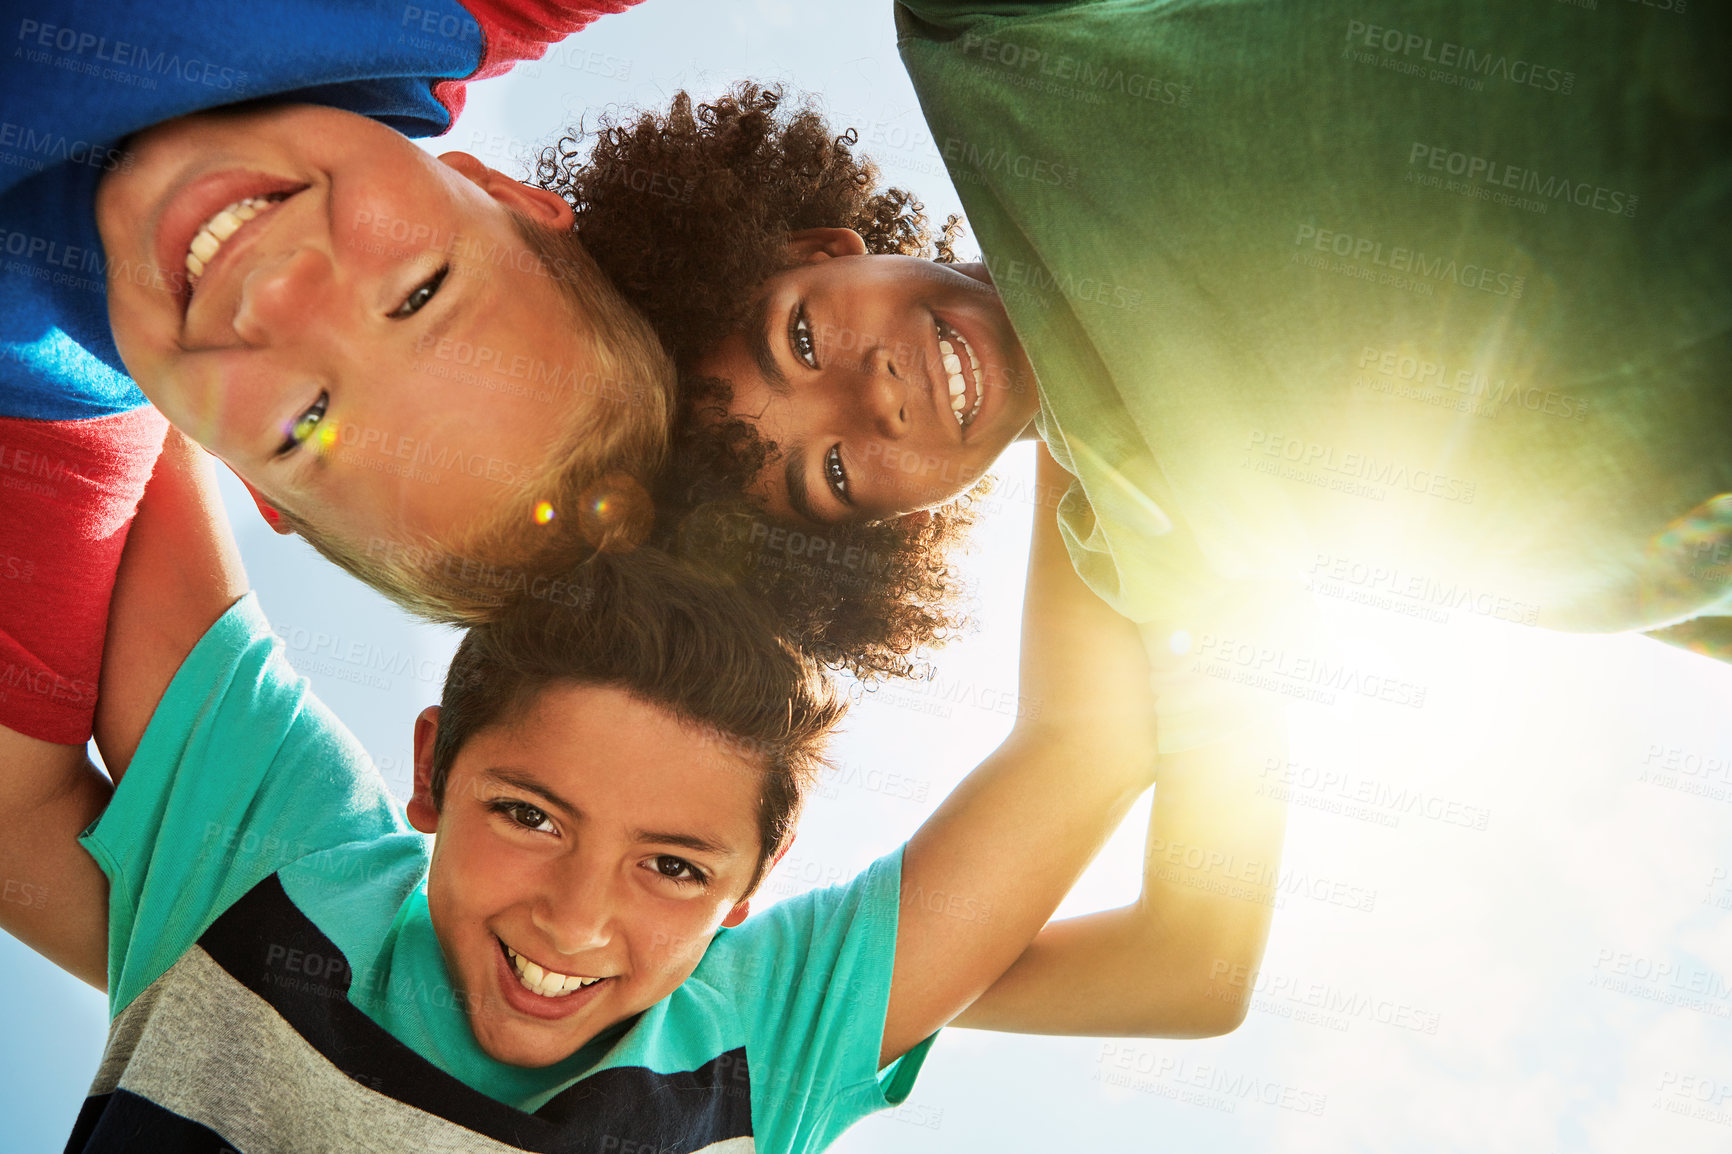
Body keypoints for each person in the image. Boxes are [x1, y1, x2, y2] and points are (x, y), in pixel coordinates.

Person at [0, 429, 1284, 1151]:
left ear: (748, 890)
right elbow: (121, 383)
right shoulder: (280, 872)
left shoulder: (753, 1035)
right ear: (434, 766)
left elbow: (1086, 742)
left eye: (673, 865)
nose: (572, 922)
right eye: (529, 813)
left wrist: (1087, 385)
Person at [566, 1, 1732, 693]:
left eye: (804, 334)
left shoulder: (985, 40)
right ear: (894, 523)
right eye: (826, 474)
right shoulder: (1145, 555)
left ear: (824, 243)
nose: (867, 400)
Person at [0, 0, 670, 764]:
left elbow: (23, 810)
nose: (277, 295)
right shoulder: (425, 21)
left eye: (305, 421)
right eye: (421, 292)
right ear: (505, 195)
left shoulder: (42, 446)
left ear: (253, 485)